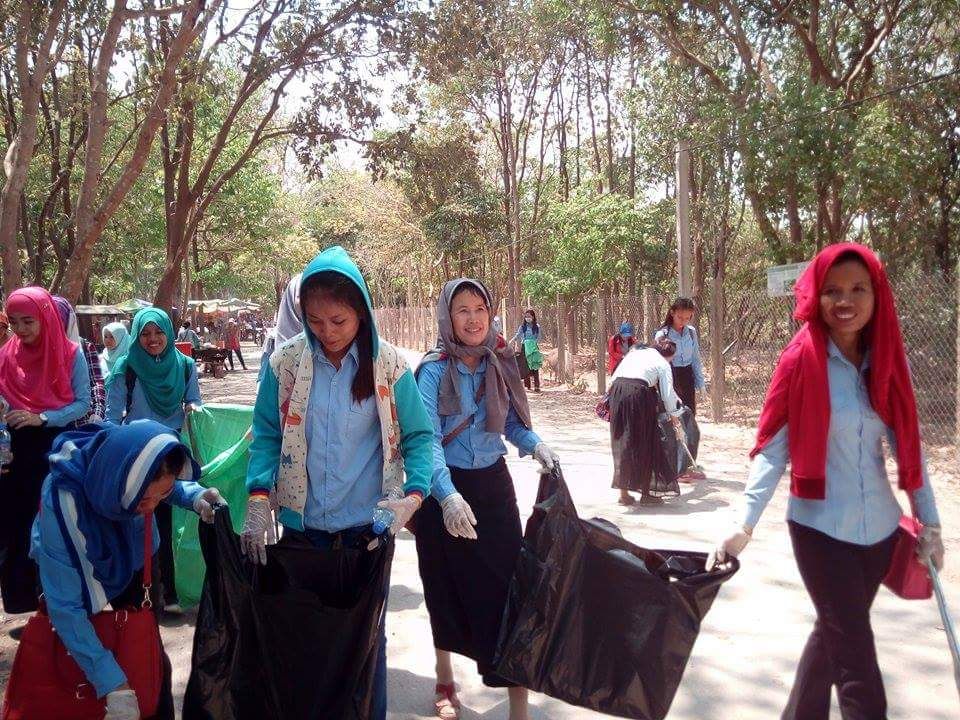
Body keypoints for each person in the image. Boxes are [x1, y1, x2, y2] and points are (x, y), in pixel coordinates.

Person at [708, 244, 944, 720]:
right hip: (820, 530)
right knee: (855, 657)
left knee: (833, 636)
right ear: (816, 296)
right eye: (832, 290)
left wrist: (930, 524)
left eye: (858, 289)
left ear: (877, 295)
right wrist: (743, 524)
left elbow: (908, 446)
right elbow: (773, 450)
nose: (845, 300)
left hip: (879, 534)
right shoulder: (801, 360)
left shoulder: (887, 359)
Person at [241, 246, 434, 720]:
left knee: (365, 649)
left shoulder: (388, 366)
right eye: (315, 320)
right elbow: (266, 433)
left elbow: (419, 437)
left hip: (365, 535)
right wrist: (259, 496)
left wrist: (414, 495)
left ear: (361, 313)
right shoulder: (285, 364)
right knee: (306, 647)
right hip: (303, 533)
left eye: (339, 321)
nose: (327, 332)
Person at [415, 279, 559, 720]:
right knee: (444, 588)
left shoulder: (500, 362)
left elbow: (511, 424)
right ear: (447, 316)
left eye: (480, 308)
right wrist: (447, 496)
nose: (473, 318)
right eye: (463, 310)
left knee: (507, 594)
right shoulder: (432, 370)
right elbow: (426, 440)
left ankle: (518, 706)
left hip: (493, 489)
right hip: (444, 492)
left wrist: (535, 444)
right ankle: (444, 678)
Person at [31, 421, 224, 720]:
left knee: (149, 658)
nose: (151, 508)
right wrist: (112, 683)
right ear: (119, 483)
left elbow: (163, 484)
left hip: (136, 558)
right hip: (75, 567)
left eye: (160, 497)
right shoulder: (62, 503)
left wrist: (194, 496)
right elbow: (66, 608)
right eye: (143, 499)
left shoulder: (133, 468)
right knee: (76, 663)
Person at [104, 307, 202, 613]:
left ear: (169, 333)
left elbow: (194, 402)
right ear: (136, 336)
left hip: (170, 456)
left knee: (167, 523)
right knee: (137, 523)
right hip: (136, 455)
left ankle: (168, 593)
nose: (152, 339)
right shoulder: (126, 366)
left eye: (159, 332)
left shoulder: (184, 365)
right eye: (145, 333)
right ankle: (139, 595)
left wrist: (194, 409)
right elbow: (111, 417)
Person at [0, 286, 91, 614]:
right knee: (16, 523)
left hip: (53, 448)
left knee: (54, 523)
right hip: (13, 451)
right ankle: (26, 601)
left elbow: (83, 402)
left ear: (46, 318)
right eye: (14, 322)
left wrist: (42, 417)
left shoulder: (71, 354)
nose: (20, 330)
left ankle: (58, 601)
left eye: (28, 321)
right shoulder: (6, 355)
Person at [609, 338, 684, 506]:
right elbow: (667, 394)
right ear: (668, 356)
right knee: (647, 442)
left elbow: (613, 379)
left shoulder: (635, 353)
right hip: (638, 395)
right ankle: (647, 493)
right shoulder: (662, 363)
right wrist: (674, 418)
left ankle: (624, 494)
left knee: (624, 442)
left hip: (617, 392)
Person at [54, 296, 107, 423]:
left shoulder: (84, 348)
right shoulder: (34, 352)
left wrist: (97, 412)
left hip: (82, 423)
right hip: (46, 424)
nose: (54, 327)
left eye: (58, 321)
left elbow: (96, 383)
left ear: (68, 322)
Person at [510, 309, 542, 392]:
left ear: (533, 317)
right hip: (525, 347)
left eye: (529, 316)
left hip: (534, 348)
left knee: (535, 366)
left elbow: (539, 337)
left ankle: (537, 386)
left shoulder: (537, 327)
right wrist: (512, 340)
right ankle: (527, 385)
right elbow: (518, 335)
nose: (527, 318)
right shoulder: (522, 327)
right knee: (525, 366)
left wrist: (534, 344)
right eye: (526, 316)